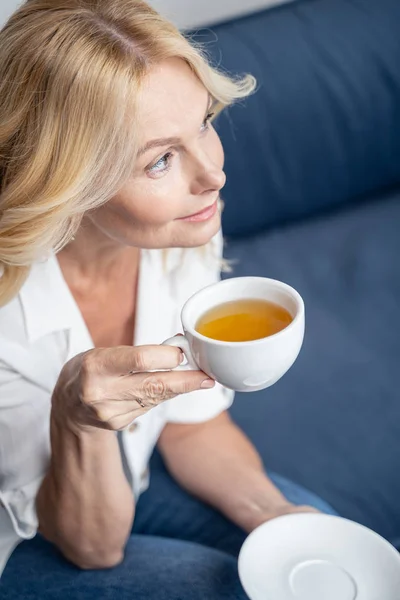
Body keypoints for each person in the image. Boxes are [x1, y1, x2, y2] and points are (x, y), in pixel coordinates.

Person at [0, 1, 337, 598]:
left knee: (320, 545)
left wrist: (270, 514)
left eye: (203, 122)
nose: (213, 175)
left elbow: (188, 427)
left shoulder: (180, 226)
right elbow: (91, 546)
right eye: (160, 159)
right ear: (68, 182)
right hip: (28, 540)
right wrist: (77, 419)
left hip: (138, 477)